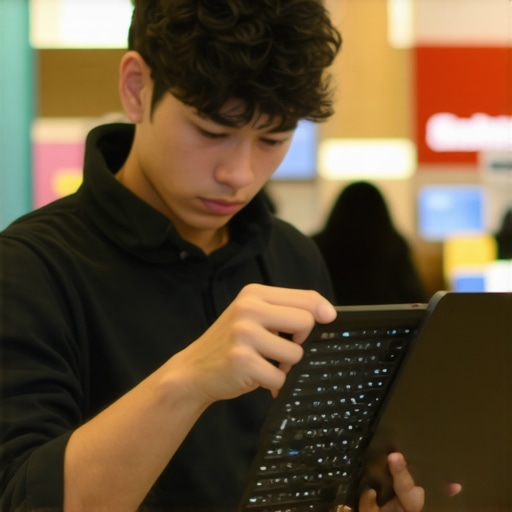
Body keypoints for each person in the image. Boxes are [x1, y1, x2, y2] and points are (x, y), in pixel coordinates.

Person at [0, 2, 426, 511]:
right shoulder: (29, 268)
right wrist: (187, 381)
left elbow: (310, 479)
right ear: (138, 87)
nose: (239, 175)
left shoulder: (292, 258)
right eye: (212, 132)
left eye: (273, 138)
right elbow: (23, 499)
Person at [312, 181, 427, 306]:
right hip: (389, 322)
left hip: (331, 321)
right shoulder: (395, 245)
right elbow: (415, 297)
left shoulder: (317, 245)